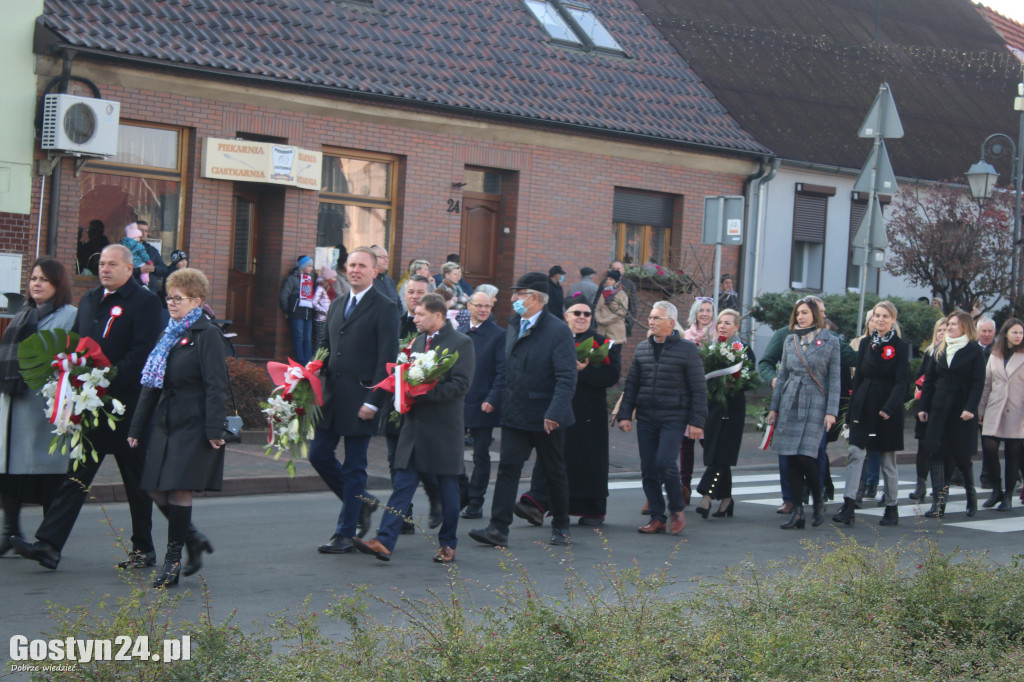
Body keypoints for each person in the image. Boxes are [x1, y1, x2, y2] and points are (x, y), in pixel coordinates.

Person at [12, 245, 164, 571]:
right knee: (75, 478)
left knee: (137, 484)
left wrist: (106, 380)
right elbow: (79, 344)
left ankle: (157, 545)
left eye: (112, 264)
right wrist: (75, 377)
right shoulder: (92, 300)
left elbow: (143, 354)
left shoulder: (145, 302)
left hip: (128, 410)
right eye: (102, 264)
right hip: (93, 407)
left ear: (128, 268)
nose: (105, 269)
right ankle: (48, 546)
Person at [353, 294, 474, 563]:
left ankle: (448, 544)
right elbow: (404, 374)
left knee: (448, 488)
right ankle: (384, 541)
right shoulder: (417, 342)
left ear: (438, 315)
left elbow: (460, 385)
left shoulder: (461, 343)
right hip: (414, 428)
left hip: (443, 429)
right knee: (402, 485)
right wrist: (403, 389)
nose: (415, 318)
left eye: (420, 314)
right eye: (415, 314)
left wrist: (420, 393)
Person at [127, 268, 227, 587]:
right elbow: (150, 384)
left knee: (178, 487)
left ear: (197, 301)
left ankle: (172, 561)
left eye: (178, 298)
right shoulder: (168, 332)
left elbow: (216, 385)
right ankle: (193, 538)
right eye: (169, 297)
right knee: (155, 487)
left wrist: (214, 428)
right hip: (164, 420)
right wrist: (136, 427)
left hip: (193, 422)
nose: (171, 303)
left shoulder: (207, 333)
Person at [469, 272, 577, 547]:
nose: (514, 298)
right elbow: (509, 367)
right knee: (508, 469)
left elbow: (566, 377)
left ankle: (561, 525)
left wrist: (555, 412)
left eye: (520, 293)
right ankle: (498, 528)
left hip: (546, 416)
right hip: (516, 411)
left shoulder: (557, 330)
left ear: (536, 298)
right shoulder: (515, 323)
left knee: (554, 471)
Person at [309, 247, 398, 554]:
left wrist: (374, 401)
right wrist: (308, 372)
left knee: (354, 467)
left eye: (362, 266)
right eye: (351, 265)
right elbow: (325, 346)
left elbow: (388, 359)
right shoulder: (337, 304)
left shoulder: (385, 307)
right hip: (332, 397)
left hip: (362, 398)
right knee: (318, 454)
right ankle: (363, 503)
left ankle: (345, 533)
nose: (356, 270)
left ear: (375, 271)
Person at [519, 299, 621, 525]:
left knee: (588, 461)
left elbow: (611, 376)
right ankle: (536, 505)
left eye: (586, 314)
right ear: (566, 316)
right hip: (558, 408)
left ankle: (592, 511)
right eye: (577, 313)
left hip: (588, 413)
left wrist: (581, 372)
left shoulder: (602, 342)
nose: (582, 317)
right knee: (551, 456)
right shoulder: (554, 339)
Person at [0, 258, 77, 555]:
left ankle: (49, 541)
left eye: (44, 279)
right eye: (33, 278)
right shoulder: (24, 313)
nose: (36, 284)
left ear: (58, 284)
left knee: (49, 475)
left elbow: (74, 356)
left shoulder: (69, 315)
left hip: (45, 410)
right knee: (8, 472)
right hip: (14, 404)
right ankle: (10, 531)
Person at [617, 301, 707, 536]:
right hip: (647, 417)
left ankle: (677, 509)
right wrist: (625, 414)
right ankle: (657, 517)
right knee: (648, 468)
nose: (651, 322)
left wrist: (697, 422)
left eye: (657, 318)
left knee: (665, 462)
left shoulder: (687, 349)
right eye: (651, 318)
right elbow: (632, 385)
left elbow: (699, 389)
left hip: (674, 417)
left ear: (671, 322)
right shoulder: (642, 349)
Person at [765, 297, 841, 530]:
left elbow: (835, 379)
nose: (800, 317)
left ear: (816, 314)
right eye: (798, 313)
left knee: (806, 456)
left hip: (816, 403)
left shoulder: (830, 341)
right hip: (790, 400)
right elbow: (784, 376)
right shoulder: (790, 340)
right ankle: (797, 512)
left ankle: (818, 498)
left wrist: (831, 412)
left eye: (805, 312)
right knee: (790, 458)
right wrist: (774, 408)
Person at [832, 302, 910, 527]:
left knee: (887, 460)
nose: (880, 320)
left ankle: (892, 506)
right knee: (856, 453)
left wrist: (890, 407)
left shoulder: (900, 346)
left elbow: (902, 380)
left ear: (893, 319)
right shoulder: (866, 343)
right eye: (877, 316)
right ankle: (848, 504)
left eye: (885, 316)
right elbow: (858, 379)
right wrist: (850, 413)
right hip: (864, 404)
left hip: (886, 406)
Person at [917, 311, 986, 518]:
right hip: (939, 408)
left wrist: (970, 408)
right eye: (948, 324)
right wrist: (923, 407)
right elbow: (929, 380)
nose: (949, 327)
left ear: (964, 326)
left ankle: (971, 495)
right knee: (936, 453)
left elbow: (977, 383)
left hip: (961, 410)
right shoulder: (941, 348)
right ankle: (939, 502)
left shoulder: (974, 351)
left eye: (954, 324)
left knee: (960, 457)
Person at [386, 274, 440, 533]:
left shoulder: (433, 331)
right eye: (411, 292)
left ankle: (436, 499)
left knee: (422, 460)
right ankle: (403, 516)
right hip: (394, 403)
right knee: (394, 459)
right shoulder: (393, 324)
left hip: (422, 406)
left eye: (420, 292)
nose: (415, 297)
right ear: (404, 295)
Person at [694, 309, 753, 520]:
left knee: (721, 454)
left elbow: (749, 378)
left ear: (736, 327)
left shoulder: (744, 349)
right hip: (713, 408)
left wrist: (735, 382)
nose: (722, 326)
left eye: (728, 323)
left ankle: (706, 497)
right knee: (716, 454)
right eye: (720, 322)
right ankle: (726, 500)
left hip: (732, 408)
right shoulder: (712, 348)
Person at [458, 291, 506, 520]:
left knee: (480, 455)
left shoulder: (498, 335)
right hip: (457, 403)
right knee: (452, 453)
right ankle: (462, 494)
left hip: (483, 404)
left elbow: (502, 372)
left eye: (487, 306)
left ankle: (476, 502)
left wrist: (492, 399)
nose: (483, 310)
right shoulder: (459, 332)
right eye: (479, 305)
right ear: (469, 306)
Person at [977, 318, 1024, 512]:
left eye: (1021, 333)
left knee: (1013, 455)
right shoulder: (995, 355)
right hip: (994, 409)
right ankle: (996, 489)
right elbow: (987, 384)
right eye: (1015, 332)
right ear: (1006, 334)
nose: (1018, 336)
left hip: (1017, 409)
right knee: (989, 450)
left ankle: (1008, 496)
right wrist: (980, 410)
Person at [678, 297, 715, 505]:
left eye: (709, 310)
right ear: (695, 312)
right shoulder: (686, 336)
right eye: (702, 310)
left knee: (709, 443)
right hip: (689, 397)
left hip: (710, 397)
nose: (705, 314)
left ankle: (710, 488)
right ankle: (685, 487)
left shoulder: (717, 336)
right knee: (686, 445)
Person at [909, 317, 948, 502]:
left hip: (942, 406)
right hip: (925, 403)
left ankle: (940, 487)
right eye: (939, 330)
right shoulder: (929, 352)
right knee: (922, 446)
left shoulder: (951, 353)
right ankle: (920, 485)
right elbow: (920, 375)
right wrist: (919, 387)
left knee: (939, 448)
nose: (942, 333)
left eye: (946, 329)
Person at [279, 256, 316, 365]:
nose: (311, 269)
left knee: (307, 338)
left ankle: (308, 363)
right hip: (296, 313)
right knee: (299, 337)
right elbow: (283, 296)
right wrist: (289, 311)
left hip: (308, 313)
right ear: (303, 267)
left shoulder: (311, 279)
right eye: (309, 266)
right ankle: (301, 361)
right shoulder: (292, 279)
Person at [134, 220, 169, 294]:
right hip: (132, 290)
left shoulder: (152, 250)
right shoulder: (126, 249)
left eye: (146, 231)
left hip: (150, 291)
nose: (144, 233)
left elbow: (164, 269)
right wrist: (140, 270)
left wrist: (154, 268)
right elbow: (121, 270)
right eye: (141, 230)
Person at [594, 270, 628, 344]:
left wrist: (605, 320)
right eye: (608, 279)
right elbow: (597, 309)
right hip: (602, 332)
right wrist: (598, 319)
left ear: (616, 282)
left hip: (615, 333)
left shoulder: (621, 294)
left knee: (613, 355)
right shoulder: (603, 293)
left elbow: (622, 312)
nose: (608, 281)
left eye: (611, 279)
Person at [610, 260, 637, 337]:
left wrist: (629, 323)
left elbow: (633, 307)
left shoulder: (629, 285)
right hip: (605, 323)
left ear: (623, 270)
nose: (616, 271)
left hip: (620, 323)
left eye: (618, 269)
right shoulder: (604, 283)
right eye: (613, 268)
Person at [313, 265, 337, 350]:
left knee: (325, 340)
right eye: (333, 277)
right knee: (320, 340)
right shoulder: (321, 288)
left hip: (327, 318)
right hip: (320, 318)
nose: (335, 279)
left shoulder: (329, 288)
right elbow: (314, 302)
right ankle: (316, 359)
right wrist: (324, 311)